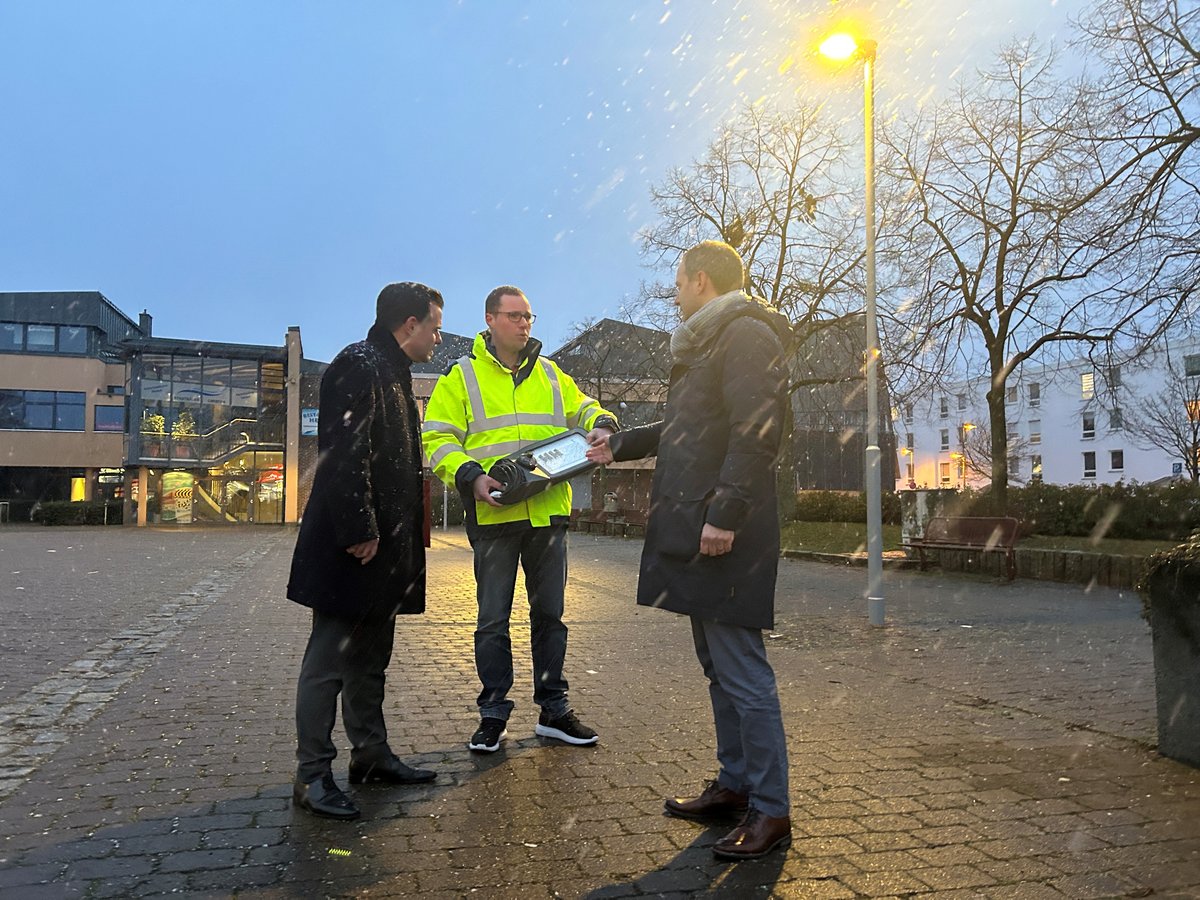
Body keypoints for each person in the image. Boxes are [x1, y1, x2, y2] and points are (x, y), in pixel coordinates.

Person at [586, 241, 793, 860]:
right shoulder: (710, 339)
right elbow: (686, 425)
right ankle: (735, 786)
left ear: (700, 280)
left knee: (742, 669)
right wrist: (617, 444)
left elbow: (756, 431)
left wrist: (726, 512)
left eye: (677, 280)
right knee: (718, 665)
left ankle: (772, 810)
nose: (673, 291)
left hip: (725, 528)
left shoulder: (747, 335)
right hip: (700, 523)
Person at [422, 285, 618, 753]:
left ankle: (554, 710)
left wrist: (605, 422)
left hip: (548, 516)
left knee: (550, 616)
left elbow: (586, 408)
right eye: (514, 316)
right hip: (493, 518)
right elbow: (437, 438)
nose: (524, 324)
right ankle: (493, 715)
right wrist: (469, 475)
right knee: (493, 620)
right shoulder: (461, 376)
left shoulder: (551, 374)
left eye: (529, 316)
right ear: (490, 319)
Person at [286, 282, 444, 821]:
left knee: (371, 658)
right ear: (409, 324)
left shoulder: (389, 370)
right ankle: (312, 776)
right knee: (329, 661)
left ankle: (371, 757)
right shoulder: (361, 364)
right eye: (435, 326)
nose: (439, 337)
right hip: (353, 547)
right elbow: (343, 452)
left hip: (382, 551)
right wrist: (359, 527)